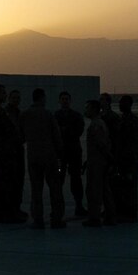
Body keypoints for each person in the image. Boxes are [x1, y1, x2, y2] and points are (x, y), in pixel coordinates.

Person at [20, 87, 66, 228]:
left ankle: (38, 219)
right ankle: (56, 218)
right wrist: (61, 154)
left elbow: (21, 136)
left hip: (33, 156)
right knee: (55, 188)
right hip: (49, 155)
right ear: (42, 98)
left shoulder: (25, 115)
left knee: (36, 189)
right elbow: (56, 136)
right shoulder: (47, 114)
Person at [0, 84, 26, 223]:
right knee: (3, 186)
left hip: (6, 154)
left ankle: (7, 212)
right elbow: (1, 135)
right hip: (2, 155)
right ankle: (3, 214)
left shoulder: (1, 112)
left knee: (8, 185)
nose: (4, 96)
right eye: (3, 93)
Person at [54, 90, 87, 218]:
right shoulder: (55, 116)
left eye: (66, 99)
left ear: (70, 101)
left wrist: (65, 130)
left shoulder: (76, 116)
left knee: (76, 180)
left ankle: (79, 206)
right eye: (62, 99)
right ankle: (57, 207)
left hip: (73, 152)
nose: (65, 101)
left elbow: (78, 131)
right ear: (59, 101)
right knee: (58, 180)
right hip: (60, 153)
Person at [81, 99, 113, 227]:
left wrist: (107, 159)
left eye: (87, 108)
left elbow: (101, 145)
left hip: (97, 164)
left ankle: (94, 218)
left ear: (93, 109)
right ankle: (109, 217)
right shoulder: (99, 123)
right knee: (104, 190)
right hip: (97, 161)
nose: (85, 110)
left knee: (94, 191)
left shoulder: (96, 125)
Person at [112, 94, 138, 222]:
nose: (120, 105)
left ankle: (130, 213)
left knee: (130, 186)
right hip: (121, 156)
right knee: (122, 186)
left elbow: (132, 140)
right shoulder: (121, 118)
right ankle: (123, 211)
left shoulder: (132, 119)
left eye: (122, 103)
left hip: (129, 157)